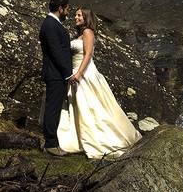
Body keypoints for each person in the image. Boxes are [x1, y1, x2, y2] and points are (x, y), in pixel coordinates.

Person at [56, 8, 142, 158]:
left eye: (79, 15)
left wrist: (79, 74)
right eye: (76, 15)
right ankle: (81, 138)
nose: (75, 17)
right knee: (81, 107)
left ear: (86, 17)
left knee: (91, 107)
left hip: (84, 73)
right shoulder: (80, 34)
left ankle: (99, 139)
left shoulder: (88, 32)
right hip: (75, 72)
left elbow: (88, 54)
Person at [38, 0, 75, 157]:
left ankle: (53, 141)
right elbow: (56, 51)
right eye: (67, 8)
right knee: (52, 109)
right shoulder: (50, 24)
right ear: (60, 8)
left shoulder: (53, 23)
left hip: (56, 73)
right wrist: (67, 73)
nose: (68, 12)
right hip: (55, 73)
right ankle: (51, 144)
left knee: (54, 108)